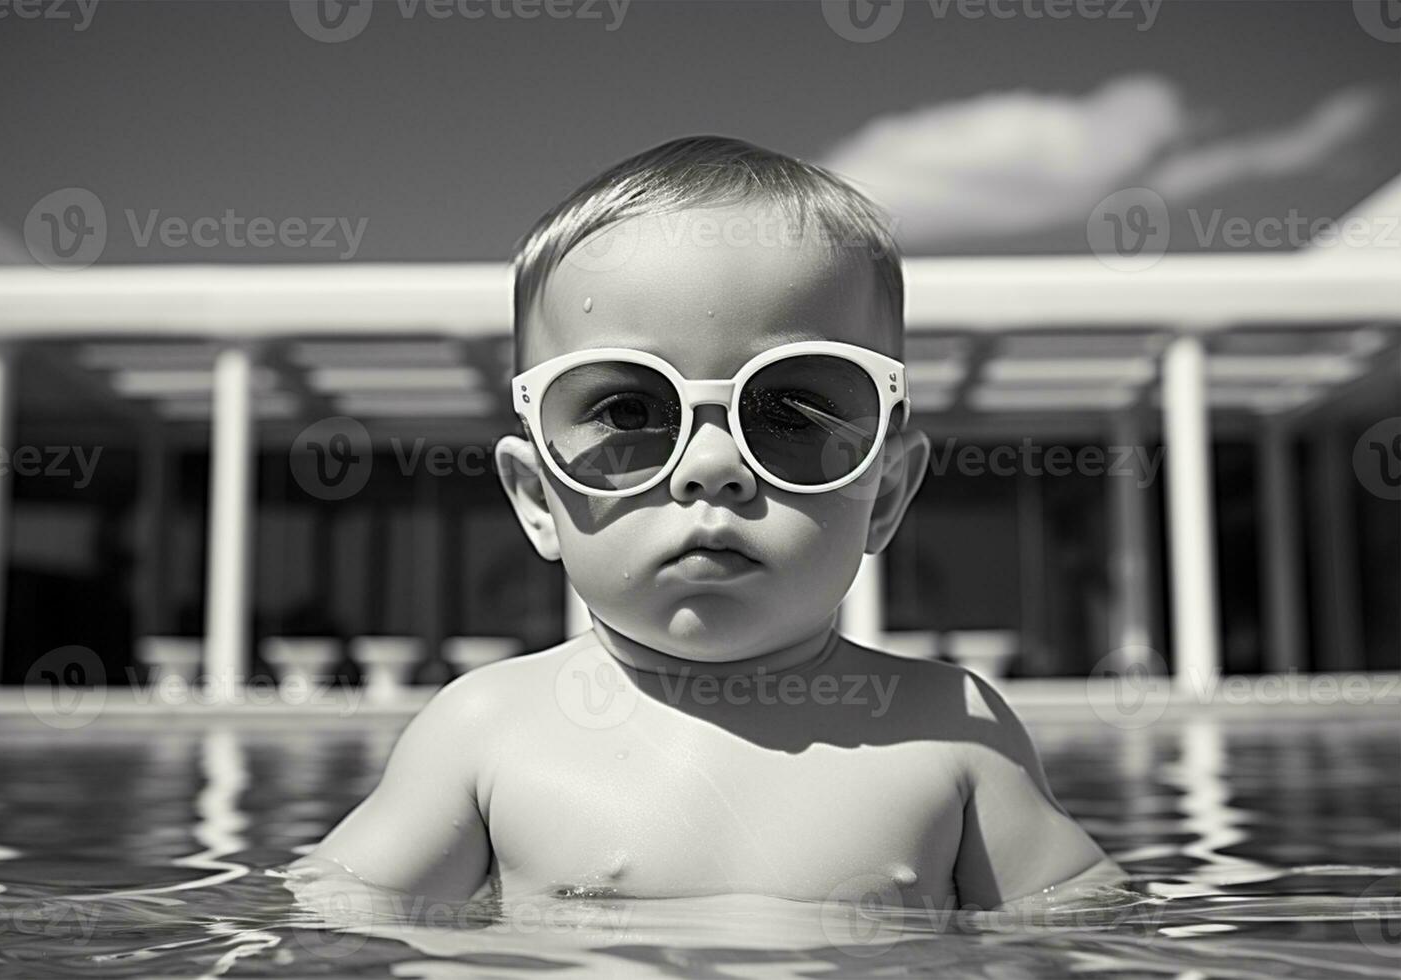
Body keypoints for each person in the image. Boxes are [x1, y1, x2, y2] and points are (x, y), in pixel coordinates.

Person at [295, 136, 1119, 914]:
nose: (712, 465)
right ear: (539, 500)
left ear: (887, 492)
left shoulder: (952, 729)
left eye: (790, 414)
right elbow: (325, 921)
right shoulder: (484, 730)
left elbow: (1089, 929)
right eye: (630, 412)